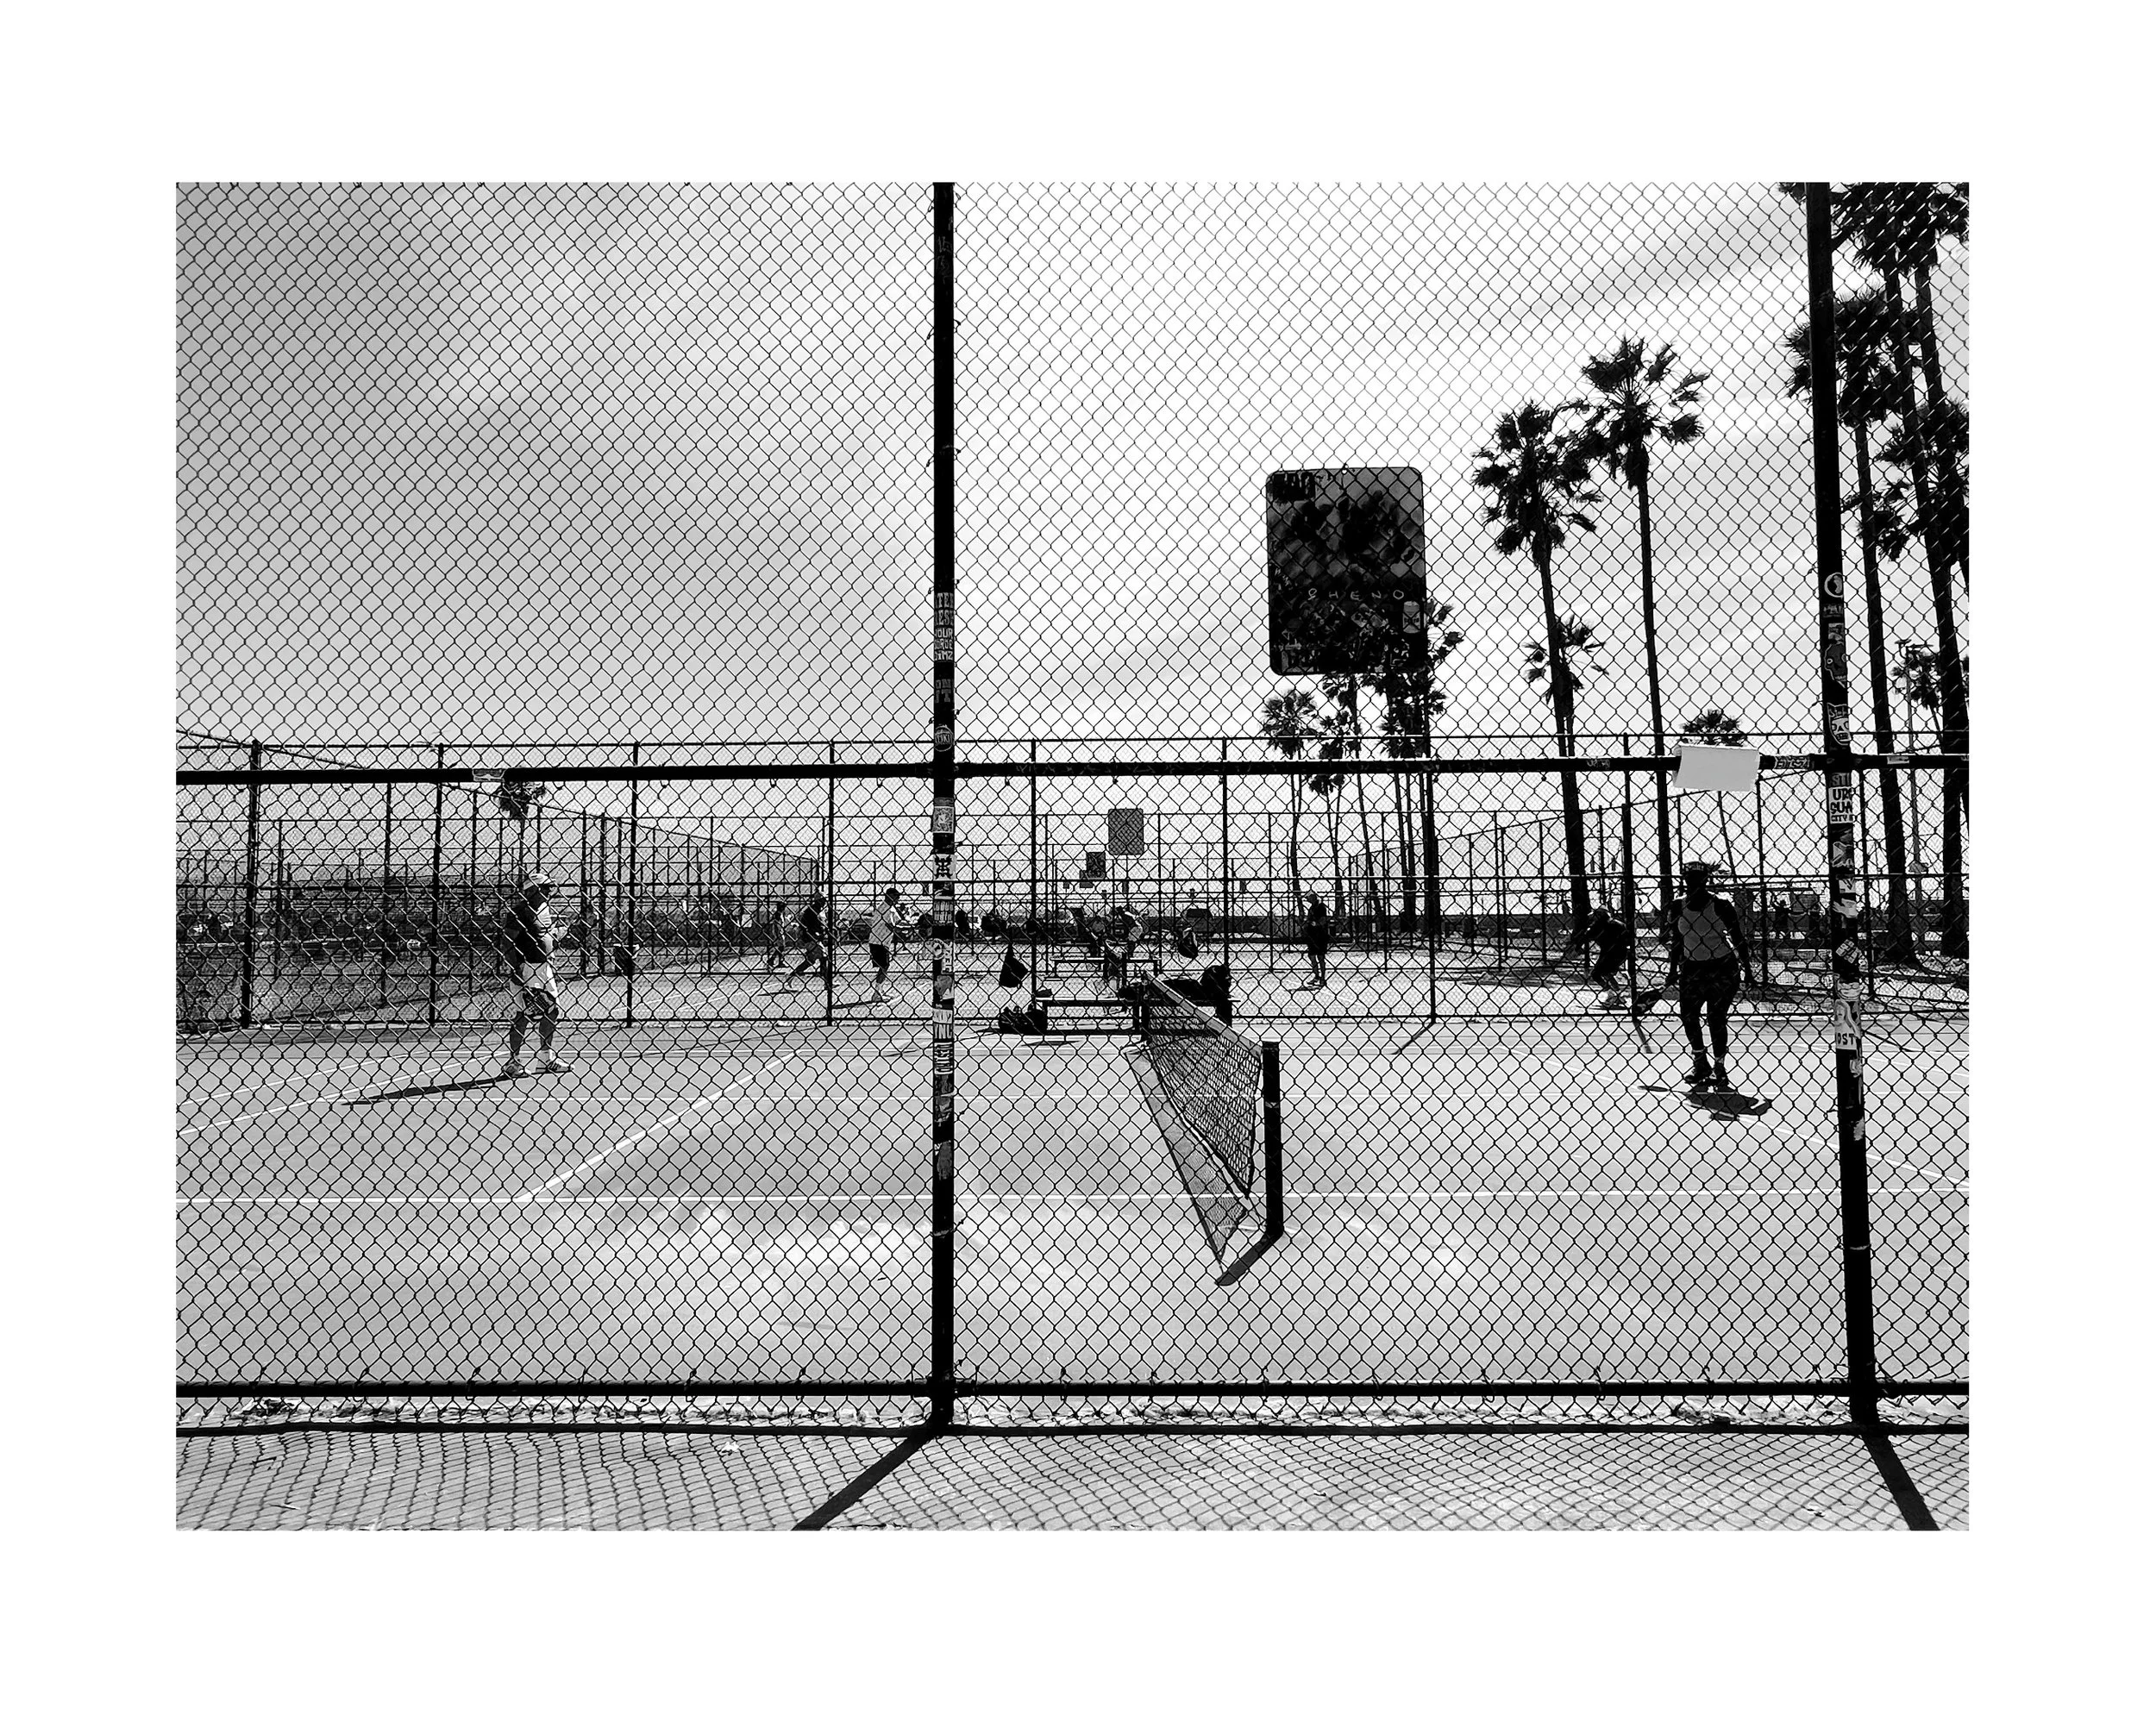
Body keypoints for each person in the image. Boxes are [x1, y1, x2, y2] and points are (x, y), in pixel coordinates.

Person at [1664, 860, 1753, 1089]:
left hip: (1722, 967)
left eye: (1698, 878)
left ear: (1706, 880)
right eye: (1689, 878)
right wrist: (1673, 970)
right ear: (1684, 881)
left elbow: (1737, 937)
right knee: (1688, 1016)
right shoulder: (1677, 906)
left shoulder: (1721, 905)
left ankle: (1719, 1067)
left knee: (1716, 1017)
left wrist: (1748, 970)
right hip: (1693, 967)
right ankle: (1700, 1061)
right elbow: (1677, 940)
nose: (1693, 882)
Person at [499, 874, 567, 1076]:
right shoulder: (519, 911)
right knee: (524, 1014)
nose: (548, 891)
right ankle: (513, 1062)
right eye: (544, 887)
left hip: (544, 968)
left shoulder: (545, 909)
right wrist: (514, 969)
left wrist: (555, 935)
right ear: (530, 890)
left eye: (549, 887)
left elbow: (543, 934)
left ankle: (546, 1059)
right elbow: (506, 942)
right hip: (526, 968)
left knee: (553, 1010)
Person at [1570, 902, 1633, 998]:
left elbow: (1585, 937)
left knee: (1596, 974)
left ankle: (1611, 993)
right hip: (1622, 953)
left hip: (1608, 953)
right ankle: (1617, 993)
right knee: (1606, 972)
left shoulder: (1598, 926)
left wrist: (1577, 948)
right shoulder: (1619, 924)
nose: (1593, 919)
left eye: (1595, 916)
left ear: (1600, 915)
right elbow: (1629, 940)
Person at [868, 887, 911, 1001]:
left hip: (883, 941)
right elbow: (892, 926)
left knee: (884, 966)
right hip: (878, 941)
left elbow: (898, 921)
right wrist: (905, 929)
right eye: (895, 896)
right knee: (884, 966)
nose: (898, 898)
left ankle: (880, 990)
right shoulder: (885, 909)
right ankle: (876, 993)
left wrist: (908, 923)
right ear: (888, 896)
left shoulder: (891, 908)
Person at [787, 897, 830, 984]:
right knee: (824, 957)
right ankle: (828, 982)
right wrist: (815, 933)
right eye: (822, 901)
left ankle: (792, 975)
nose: (824, 903)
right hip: (811, 938)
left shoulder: (819, 910)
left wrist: (823, 931)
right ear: (817, 901)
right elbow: (807, 926)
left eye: (825, 901)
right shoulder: (811, 911)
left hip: (815, 938)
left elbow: (821, 925)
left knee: (811, 960)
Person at [1302, 895, 1331, 987]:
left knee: (1321, 957)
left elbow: (1323, 920)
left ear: (1313, 897)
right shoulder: (1312, 907)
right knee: (1311, 956)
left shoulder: (1321, 907)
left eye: (1308, 898)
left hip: (1320, 936)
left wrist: (1316, 923)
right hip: (1312, 936)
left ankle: (1322, 978)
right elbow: (1309, 920)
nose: (1308, 900)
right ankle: (1316, 976)